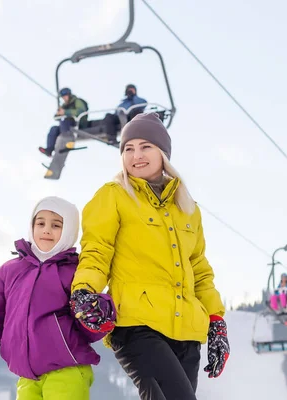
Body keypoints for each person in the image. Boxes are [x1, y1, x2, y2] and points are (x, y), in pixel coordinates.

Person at [68, 112, 230, 400]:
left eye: (145, 147)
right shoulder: (113, 196)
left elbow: (200, 269)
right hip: (136, 325)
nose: (136, 155)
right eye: (128, 148)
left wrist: (216, 321)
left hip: (186, 333)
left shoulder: (188, 208)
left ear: (163, 153)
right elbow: (97, 249)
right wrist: (84, 289)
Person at [0, 196, 116, 399]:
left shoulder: (75, 272)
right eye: (40, 223)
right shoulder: (9, 271)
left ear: (69, 231)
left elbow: (91, 329)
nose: (46, 230)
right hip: (27, 377)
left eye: (56, 225)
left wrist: (98, 313)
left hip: (67, 370)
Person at [38, 88, 88, 157]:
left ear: (69, 95)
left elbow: (81, 111)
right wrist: (58, 114)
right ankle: (49, 150)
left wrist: (66, 112)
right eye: (63, 97)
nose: (64, 98)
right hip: (66, 126)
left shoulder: (77, 101)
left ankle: (67, 140)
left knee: (65, 121)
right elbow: (56, 117)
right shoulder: (64, 105)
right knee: (54, 129)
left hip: (77, 124)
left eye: (65, 96)